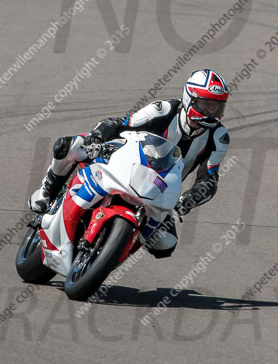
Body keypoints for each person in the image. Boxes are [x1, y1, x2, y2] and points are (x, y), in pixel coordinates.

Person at [28, 69, 230, 258]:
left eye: (217, 106)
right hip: (125, 161)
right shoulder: (164, 110)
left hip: (159, 190)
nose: (211, 112)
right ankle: (48, 190)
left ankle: (108, 252)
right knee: (70, 146)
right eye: (206, 104)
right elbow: (121, 123)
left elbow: (209, 179)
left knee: (165, 244)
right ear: (190, 98)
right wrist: (96, 138)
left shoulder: (219, 137)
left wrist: (188, 200)